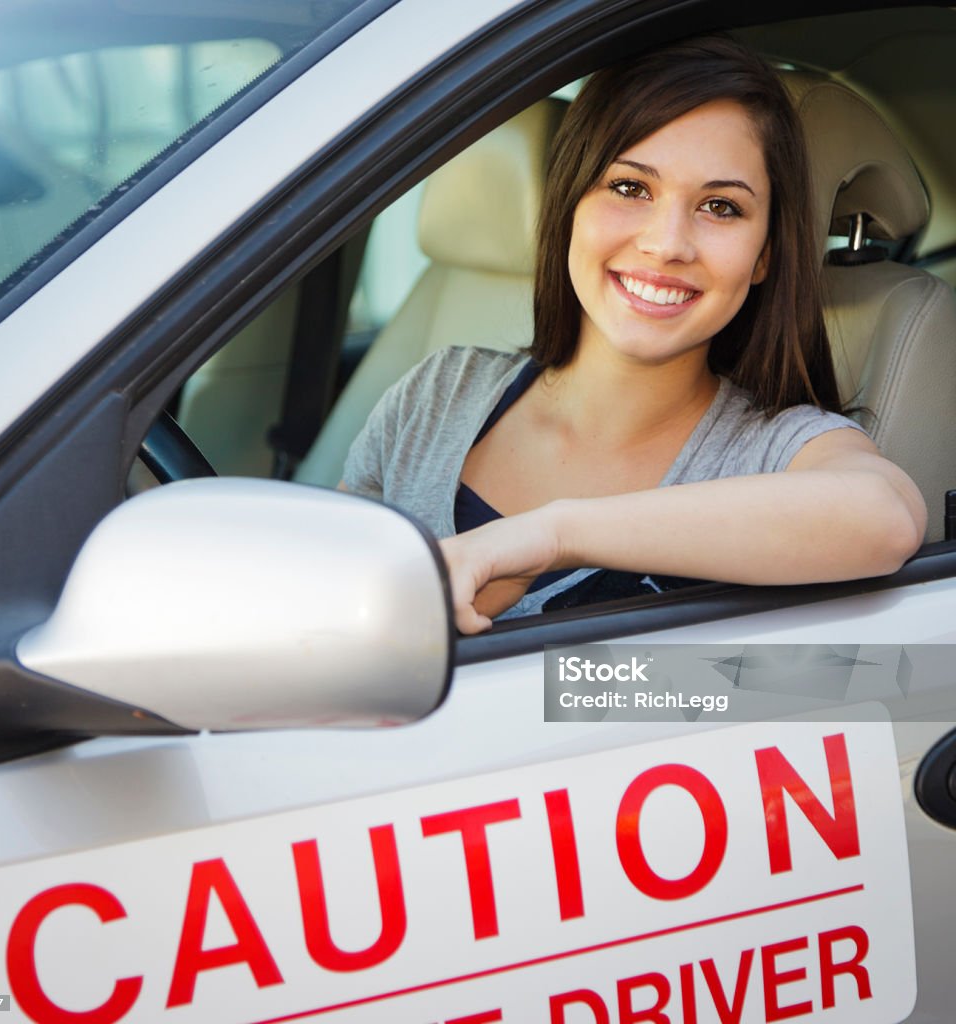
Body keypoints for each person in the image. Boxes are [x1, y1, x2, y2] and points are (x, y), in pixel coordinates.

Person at [342, 36, 927, 635]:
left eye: (721, 207)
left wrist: (555, 535)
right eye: (630, 188)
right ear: (569, 204)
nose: (666, 243)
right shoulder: (439, 393)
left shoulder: (775, 451)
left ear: (764, 257)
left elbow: (885, 519)